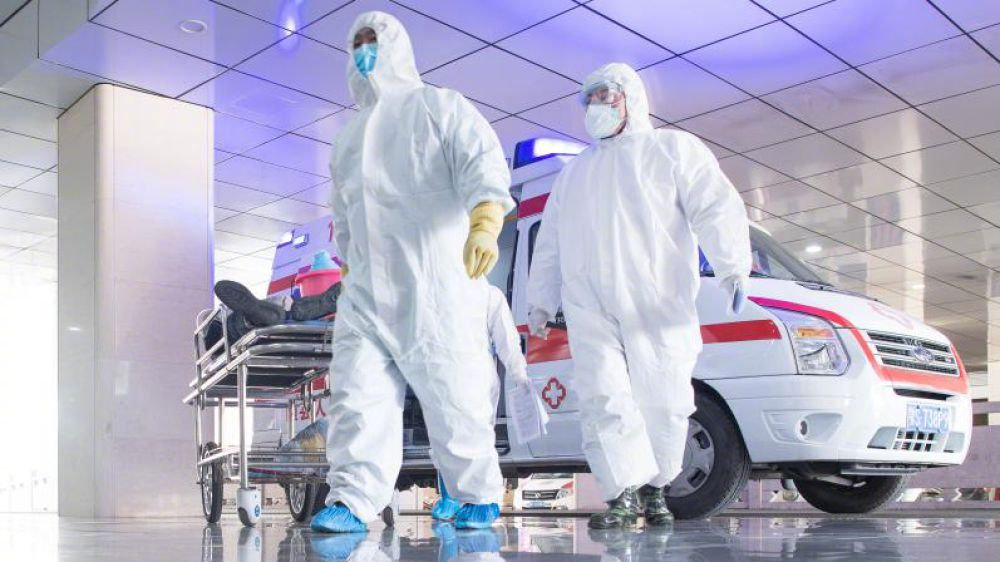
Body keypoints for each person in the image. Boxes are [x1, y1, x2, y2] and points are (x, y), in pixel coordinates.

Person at [311, 11, 514, 534]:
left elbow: (481, 161)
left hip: (434, 284)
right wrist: (349, 262)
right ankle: (352, 500)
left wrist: (485, 219)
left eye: (372, 41)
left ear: (396, 46)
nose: (364, 51)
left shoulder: (440, 107)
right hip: (365, 292)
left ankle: (476, 495)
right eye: (356, 43)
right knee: (357, 396)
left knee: (454, 392)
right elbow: (344, 213)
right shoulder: (347, 139)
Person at [525, 63, 751, 529]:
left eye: (606, 96)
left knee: (664, 398)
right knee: (602, 397)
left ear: (631, 98)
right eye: (590, 99)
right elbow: (550, 242)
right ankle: (622, 494)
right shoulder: (575, 173)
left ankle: (655, 489)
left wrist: (733, 267)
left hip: (658, 297)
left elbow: (714, 205)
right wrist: (541, 301)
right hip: (589, 301)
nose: (596, 107)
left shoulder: (672, 150)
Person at [431, 284, 530, 521]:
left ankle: (483, 502)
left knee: (477, 438)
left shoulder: (489, 295)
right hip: (442, 377)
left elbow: (507, 340)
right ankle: (450, 497)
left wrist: (518, 373)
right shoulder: (435, 292)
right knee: (444, 438)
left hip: (477, 379)